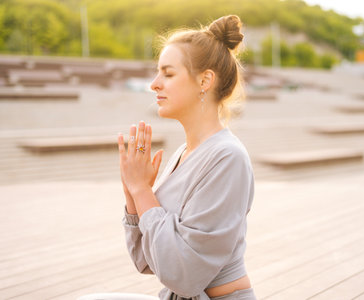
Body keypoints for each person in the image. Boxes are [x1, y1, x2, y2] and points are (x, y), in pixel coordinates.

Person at [78, 15, 256, 300]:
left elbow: (183, 276)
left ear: (205, 80)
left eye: (168, 74)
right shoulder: (183, 154)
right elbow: (146, 261)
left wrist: (142, 190)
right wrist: (133, 194)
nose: (154, 84)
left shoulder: (227, 157)